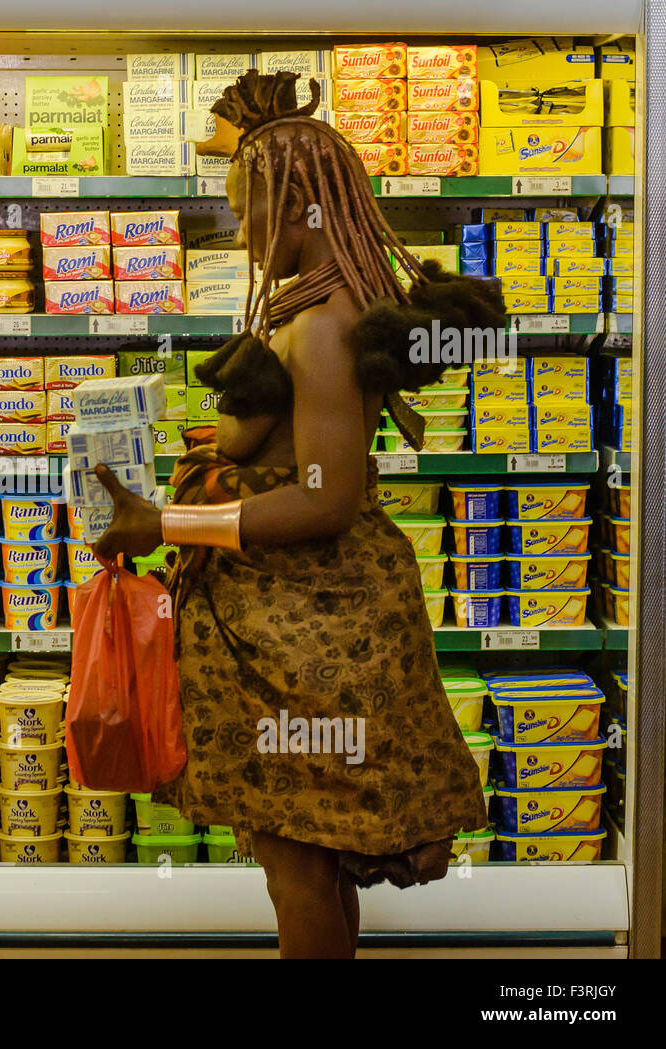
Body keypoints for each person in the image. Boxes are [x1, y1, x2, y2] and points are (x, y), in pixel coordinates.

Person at [92, 70, 499, 959]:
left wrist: (164, 524)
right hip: (298, 626)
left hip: (311, 636)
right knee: (310, 852)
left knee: (298, 866)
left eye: (250, 211)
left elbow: (325, 495)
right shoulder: (312, 308)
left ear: (301, 208)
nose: (242, 233)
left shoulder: (320, 327)